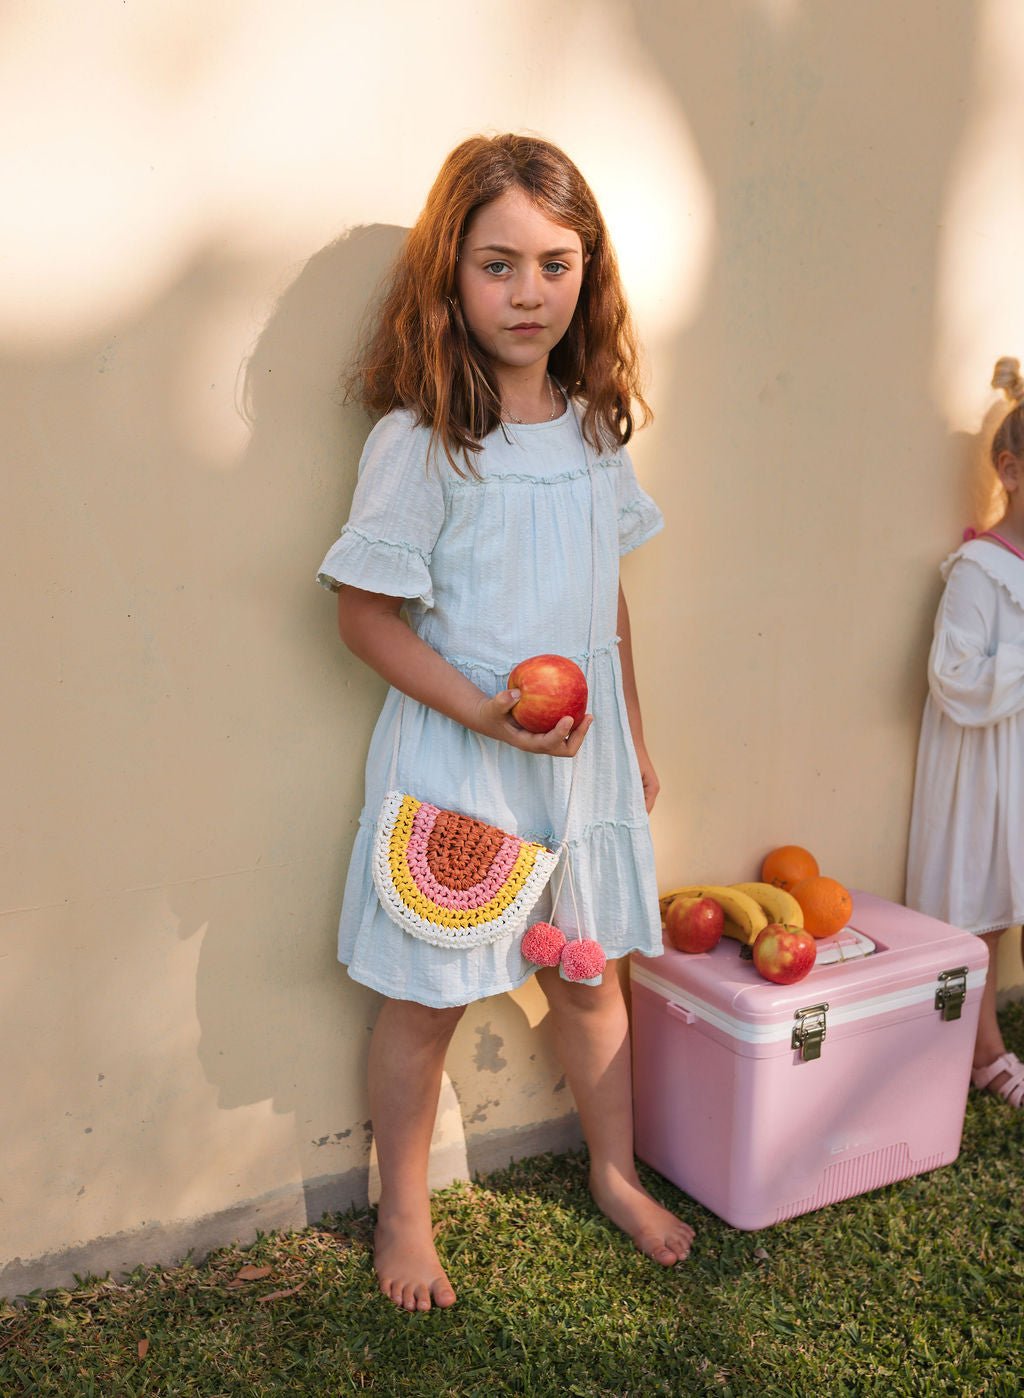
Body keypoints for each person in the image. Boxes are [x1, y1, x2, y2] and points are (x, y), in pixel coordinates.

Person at [316, 134, 693, 1311]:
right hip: (462, 761)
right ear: (449, 275)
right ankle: (404, 1218)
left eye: (555, 261)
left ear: (589, 272)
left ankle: (615, 1171)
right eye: (497, 265)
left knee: (591, 981)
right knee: (428, 998)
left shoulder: (591, 425)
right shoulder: (421, 441)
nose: (530, 291)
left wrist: (629, 732)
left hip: (581, 765)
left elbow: (603, 593)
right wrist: (484, 711)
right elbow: (363, 617)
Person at [906, 356, 1024, 1109]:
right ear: (1011, 469)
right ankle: (986, 1052)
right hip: (988, 762)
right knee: (979, 905)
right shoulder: (982, 568)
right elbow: (953, 677)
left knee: (1011, 901)